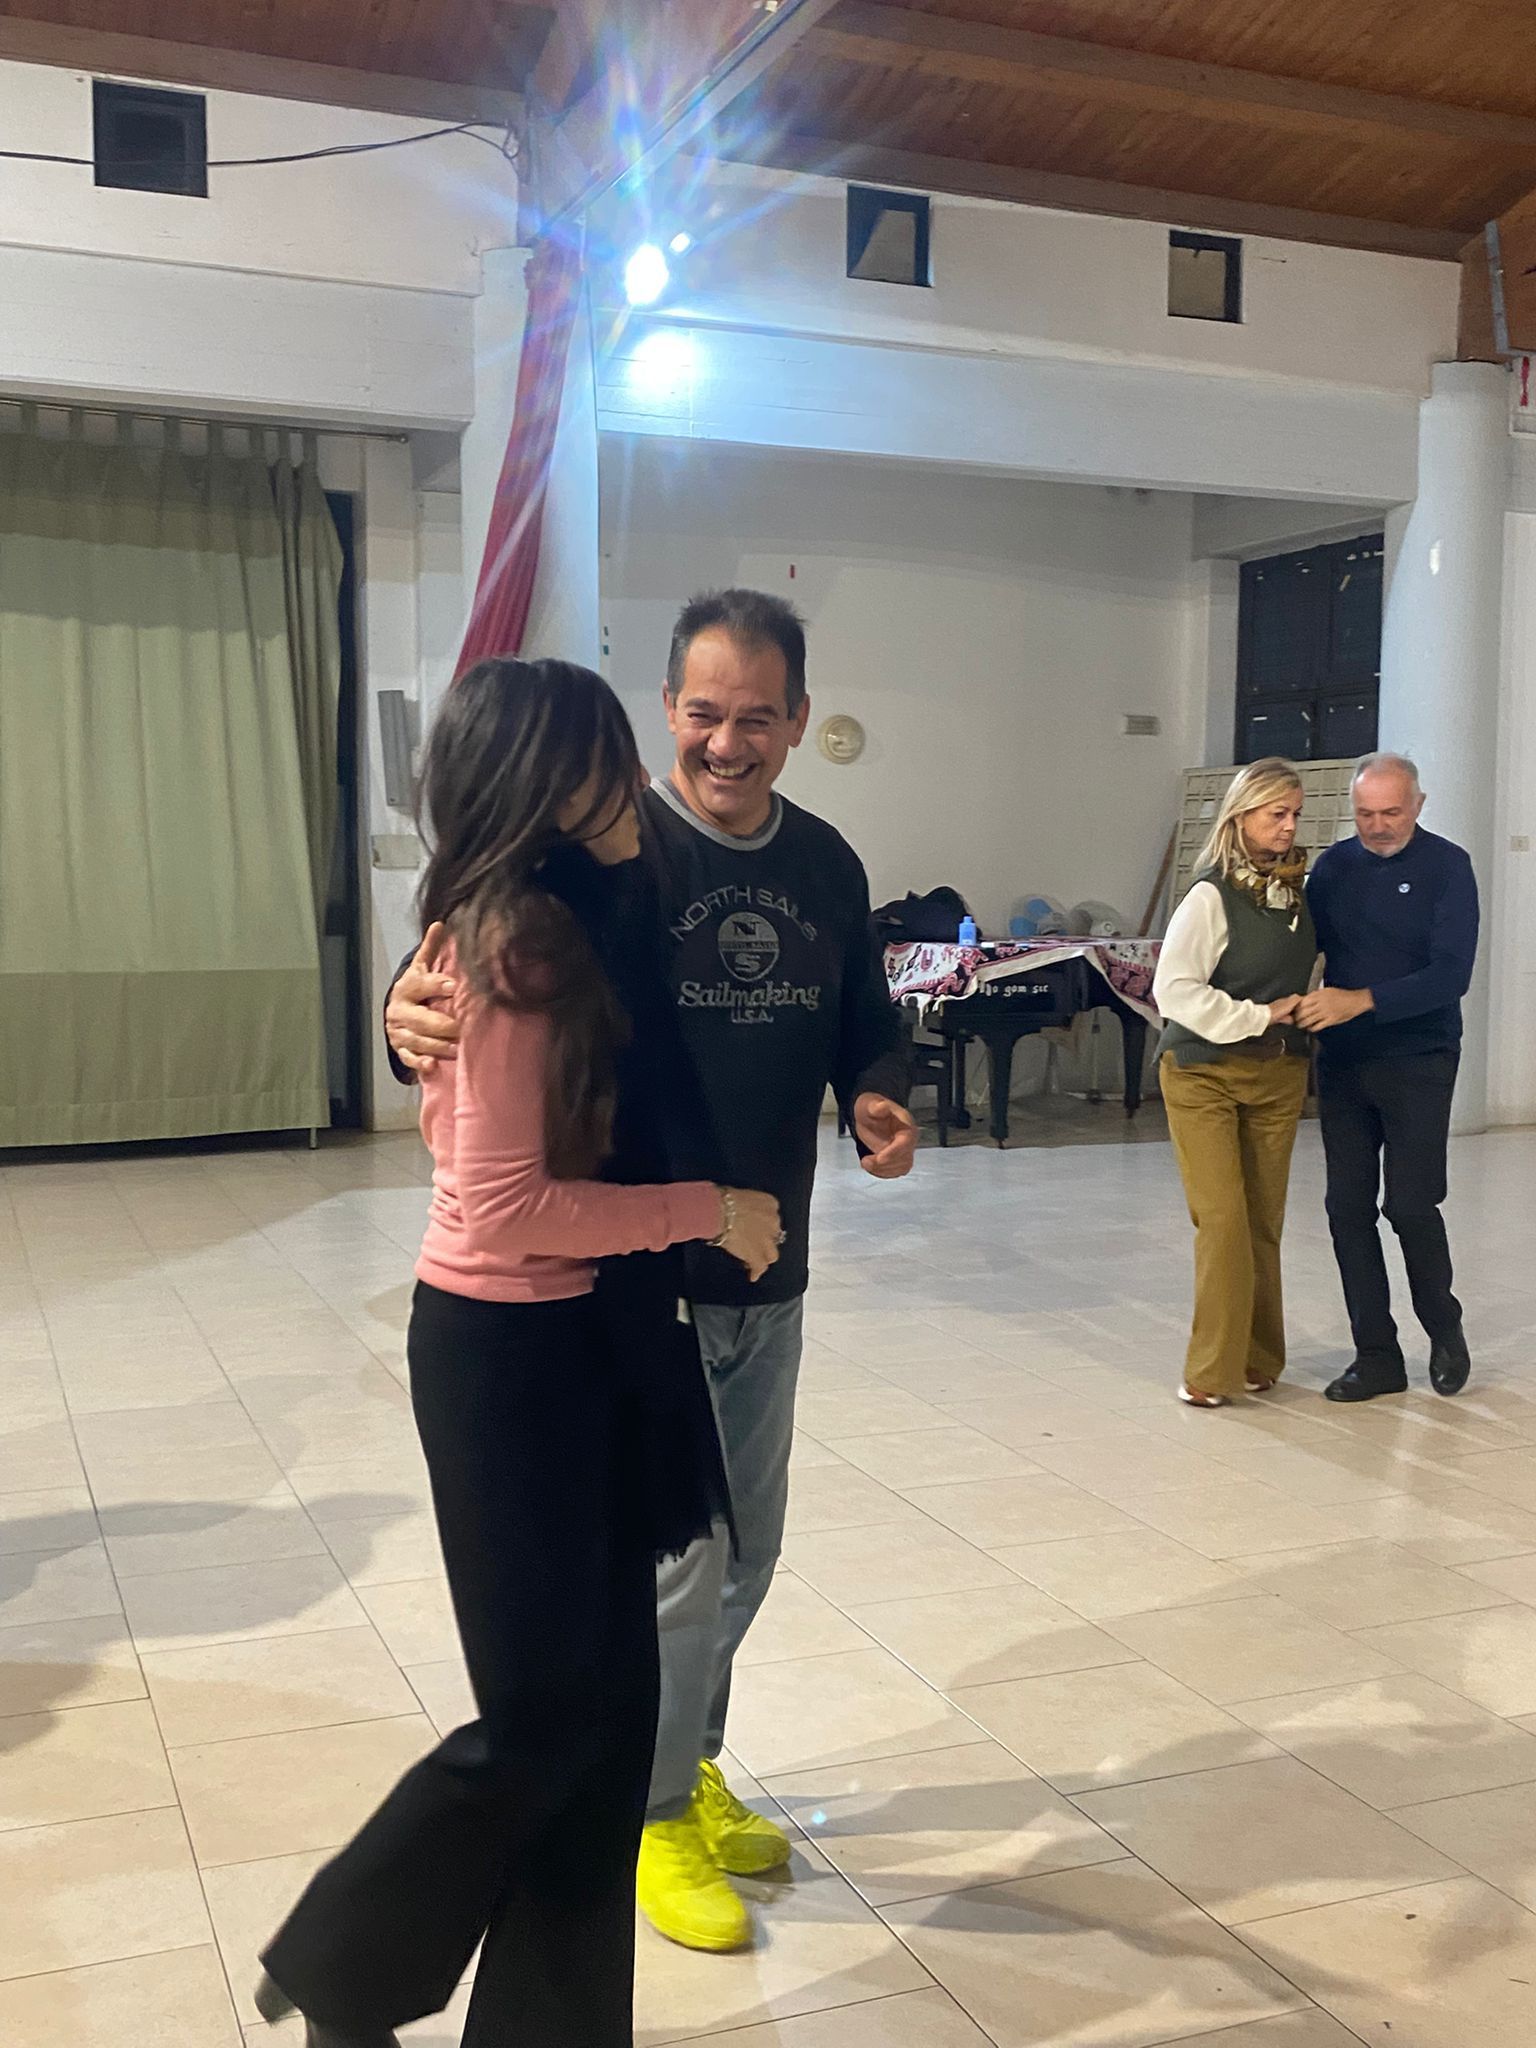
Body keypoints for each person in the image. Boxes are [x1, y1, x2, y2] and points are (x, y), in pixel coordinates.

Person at [255, 657, 780, 2048]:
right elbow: (507, 1208)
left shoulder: (604, 899)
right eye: (615, 754)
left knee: (608, 1729)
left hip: (598, 1339)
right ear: (549, 784)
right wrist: (710, 1210)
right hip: (513, 1359)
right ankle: (342, 1965)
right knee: (547, 1718)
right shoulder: (519, 939)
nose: (647, 777)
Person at [387, 589, 916, 1954]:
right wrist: (403, 1013)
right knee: (679, 1560)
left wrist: (877, 1090)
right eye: (703, 713)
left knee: (749, 1548)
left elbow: (864, 1015)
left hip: (769, 1252)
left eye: (758, 717)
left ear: (799, 721)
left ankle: (688, 1761)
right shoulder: (612, 845)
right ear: (665, 711)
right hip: (638, 1263)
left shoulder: (826, 863)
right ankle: (652, 1806)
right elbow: (477, 967)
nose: (726, 743)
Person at [1296, 752, 1478, 1402]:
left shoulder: (1447, 867)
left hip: (1420, 1056)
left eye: (1391, 812)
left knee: (1409, 1203)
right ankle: (1376, 1356)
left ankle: (1444, 1329)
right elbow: (1304, 945)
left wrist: (1361, 999)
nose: (1377, 826)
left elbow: (1451, 974)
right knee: (1346, 1208)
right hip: (1345, 1061)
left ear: (1418, 806)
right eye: (1365, 814)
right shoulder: (1334, 868)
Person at [1152, 758, 1317, 1408]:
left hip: (1279, 1073)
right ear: (1241, 817)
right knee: (1223, 1221)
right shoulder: (1209, 896)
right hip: (1204, 1074)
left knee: (1262, 1222)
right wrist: (1258, 1015)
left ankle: (1259, 1358)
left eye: (1295, 814)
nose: (1289, 826)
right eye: (1277, 813)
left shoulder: (1296, 896)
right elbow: (1174, 990)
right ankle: (1210, 1372)